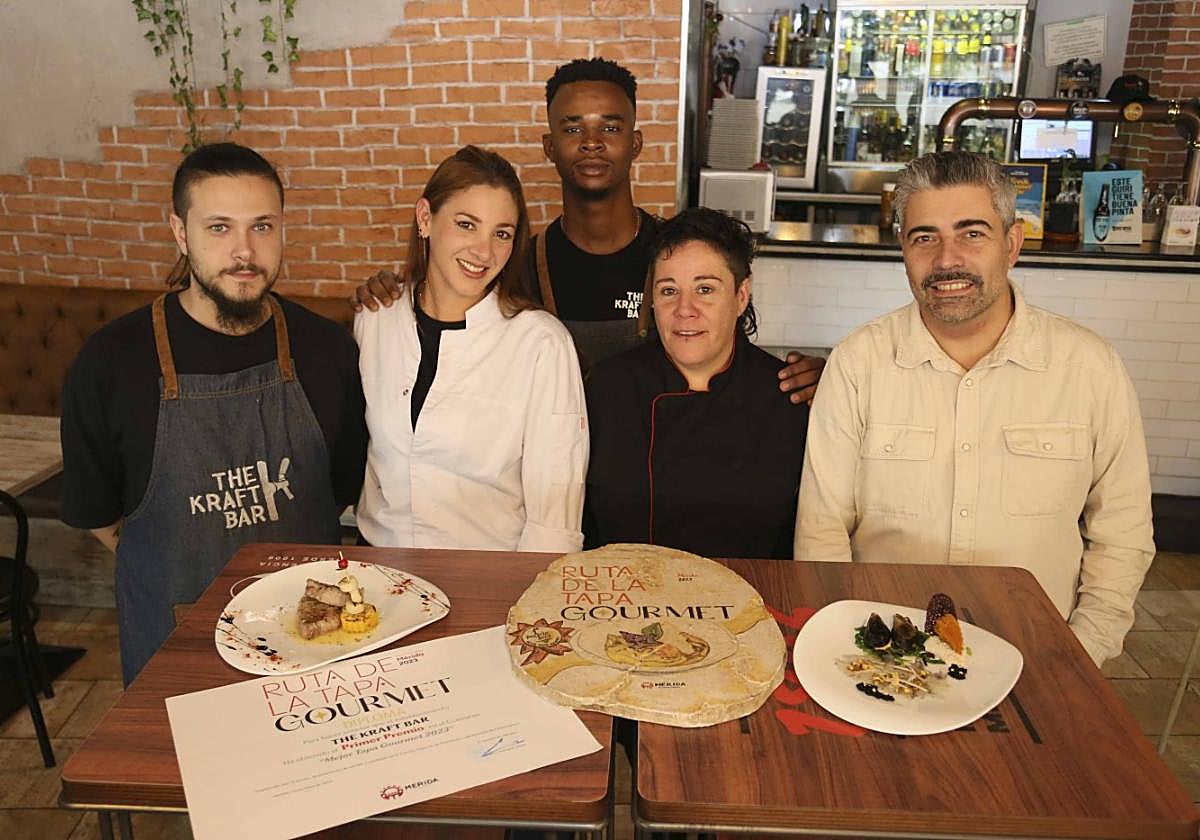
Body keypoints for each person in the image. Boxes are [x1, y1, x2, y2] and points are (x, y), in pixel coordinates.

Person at [795, 151, 1154, 666]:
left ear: (1012, 244)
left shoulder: (1090, 369)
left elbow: (1122, 532)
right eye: (924, 237)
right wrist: (849, 644)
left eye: (972, 233)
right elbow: (821, 528)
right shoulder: (859, 364)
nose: (946, 260)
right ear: (903, 248)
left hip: (1038, 656)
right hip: (888, 661)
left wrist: (1081, 653)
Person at [60, 143, 367, 684]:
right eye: (220, 227)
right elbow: (98, 513)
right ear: (180, 232)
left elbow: (341, 487)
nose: (244, 252)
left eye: (262, 227)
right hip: (175, 641)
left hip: (310, 641)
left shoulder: (327, 349)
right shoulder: (111, 361)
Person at [352, 57, 825, 401]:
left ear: (635, 143)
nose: (593, 143)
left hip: (651, 475)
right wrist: (394, 294)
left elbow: (724, 350)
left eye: (611, 128)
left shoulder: (675, 257)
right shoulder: (513, 263)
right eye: (573, 129)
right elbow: (449, 326)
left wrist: (813, 380)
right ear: (549, 146)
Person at [354, 145, 587, 552]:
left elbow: (555, 512)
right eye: (466, 225)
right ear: (426, 218)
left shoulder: (541, 344)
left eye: (502, 233)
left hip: (487, 580)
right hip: (379, 580)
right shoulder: (375, 320)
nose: (484, 251)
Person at [585, 207, 807, 559]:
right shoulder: (609, 388)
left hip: (755, 602)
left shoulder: (787, 395)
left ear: (741, 296)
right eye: (668, 290)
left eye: (705, 289)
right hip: (627, 600)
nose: (684, 309)